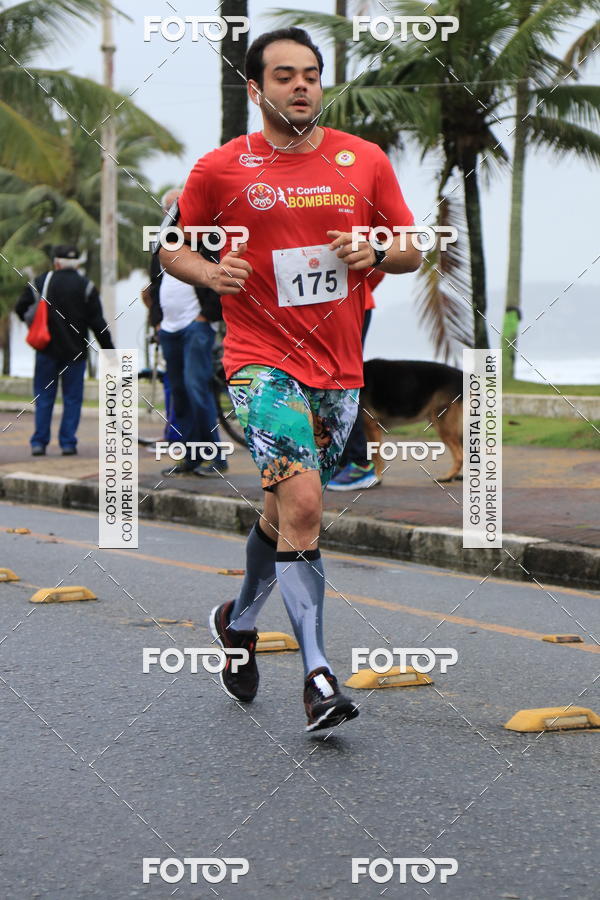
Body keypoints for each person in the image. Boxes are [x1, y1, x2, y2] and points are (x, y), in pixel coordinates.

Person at [159, 27, 421, 730]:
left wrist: (376, 251)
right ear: (256, 88)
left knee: (283, 515)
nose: (299, 85)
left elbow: (410, 248)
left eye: (309, 74)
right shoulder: (221, 169)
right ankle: (318, 676)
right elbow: (173, 248)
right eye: (283, 76)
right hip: (258, 361)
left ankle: (237, 621)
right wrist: (212, 273)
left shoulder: (361, 161)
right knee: (305, 506)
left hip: (337, 369)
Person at [147, 188, 225, 477]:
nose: (173, 213)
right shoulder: (162, 243)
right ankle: (190, 456)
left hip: (196, 327)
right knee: (179, 394)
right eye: (169, 208)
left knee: (197, 389)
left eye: (177, 207)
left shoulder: (205, 238)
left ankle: (215, 456)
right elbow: (154, 286)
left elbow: (218, 277)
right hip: (169, 329)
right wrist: (157, 322)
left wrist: (205, 317)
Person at [15, 245, 114, 456]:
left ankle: (39, 443)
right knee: (72, 399)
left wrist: (32, 324)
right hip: (76, 353)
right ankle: (68, 443)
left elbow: (20, 307)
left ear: (56, 262)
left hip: (46, 350)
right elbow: (98, 322)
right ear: (77, 263)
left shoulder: (41, 282)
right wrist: (109, 352)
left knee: (44, 398)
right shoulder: (86, 286)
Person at [327, 271, 385, 490]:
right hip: (317, 313)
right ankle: (342, 461)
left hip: (351, 307)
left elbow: (380, 260)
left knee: (342, 380)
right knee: (326, 382)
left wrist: (357, 287)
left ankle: (359, 463)